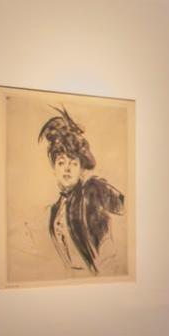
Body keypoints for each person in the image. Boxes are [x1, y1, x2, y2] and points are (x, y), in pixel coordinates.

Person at [36, 106, 126, 276]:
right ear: (54, 168)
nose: (67, 169)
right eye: (61, 162)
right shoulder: (55, 210)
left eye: (73, 163)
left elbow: (127, 207)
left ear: (81, 170)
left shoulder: (92, 191)